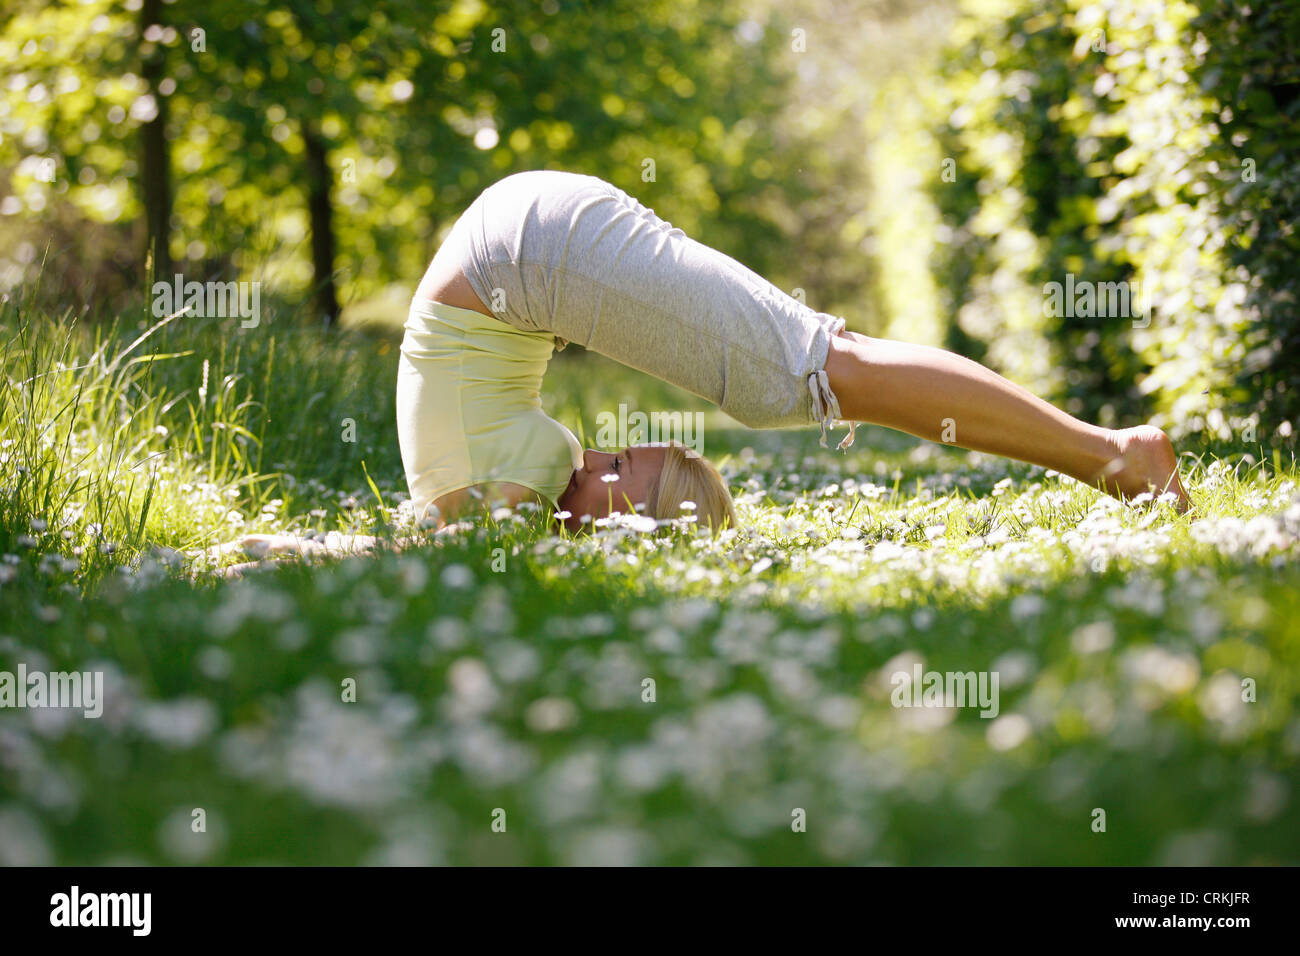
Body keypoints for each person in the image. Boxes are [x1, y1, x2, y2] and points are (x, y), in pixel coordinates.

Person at [226, 168, 1189, 571]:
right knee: (809, 368)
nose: (605, 466)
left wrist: (300, 551)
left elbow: (429, 555)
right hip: (520, 255)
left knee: (816, 365)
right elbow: (437, 551)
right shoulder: (528, 478)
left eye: (622, 475)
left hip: (521, 256)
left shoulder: (507, 496)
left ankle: (1116, 456)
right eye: (627, 470)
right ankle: (1115, 457)